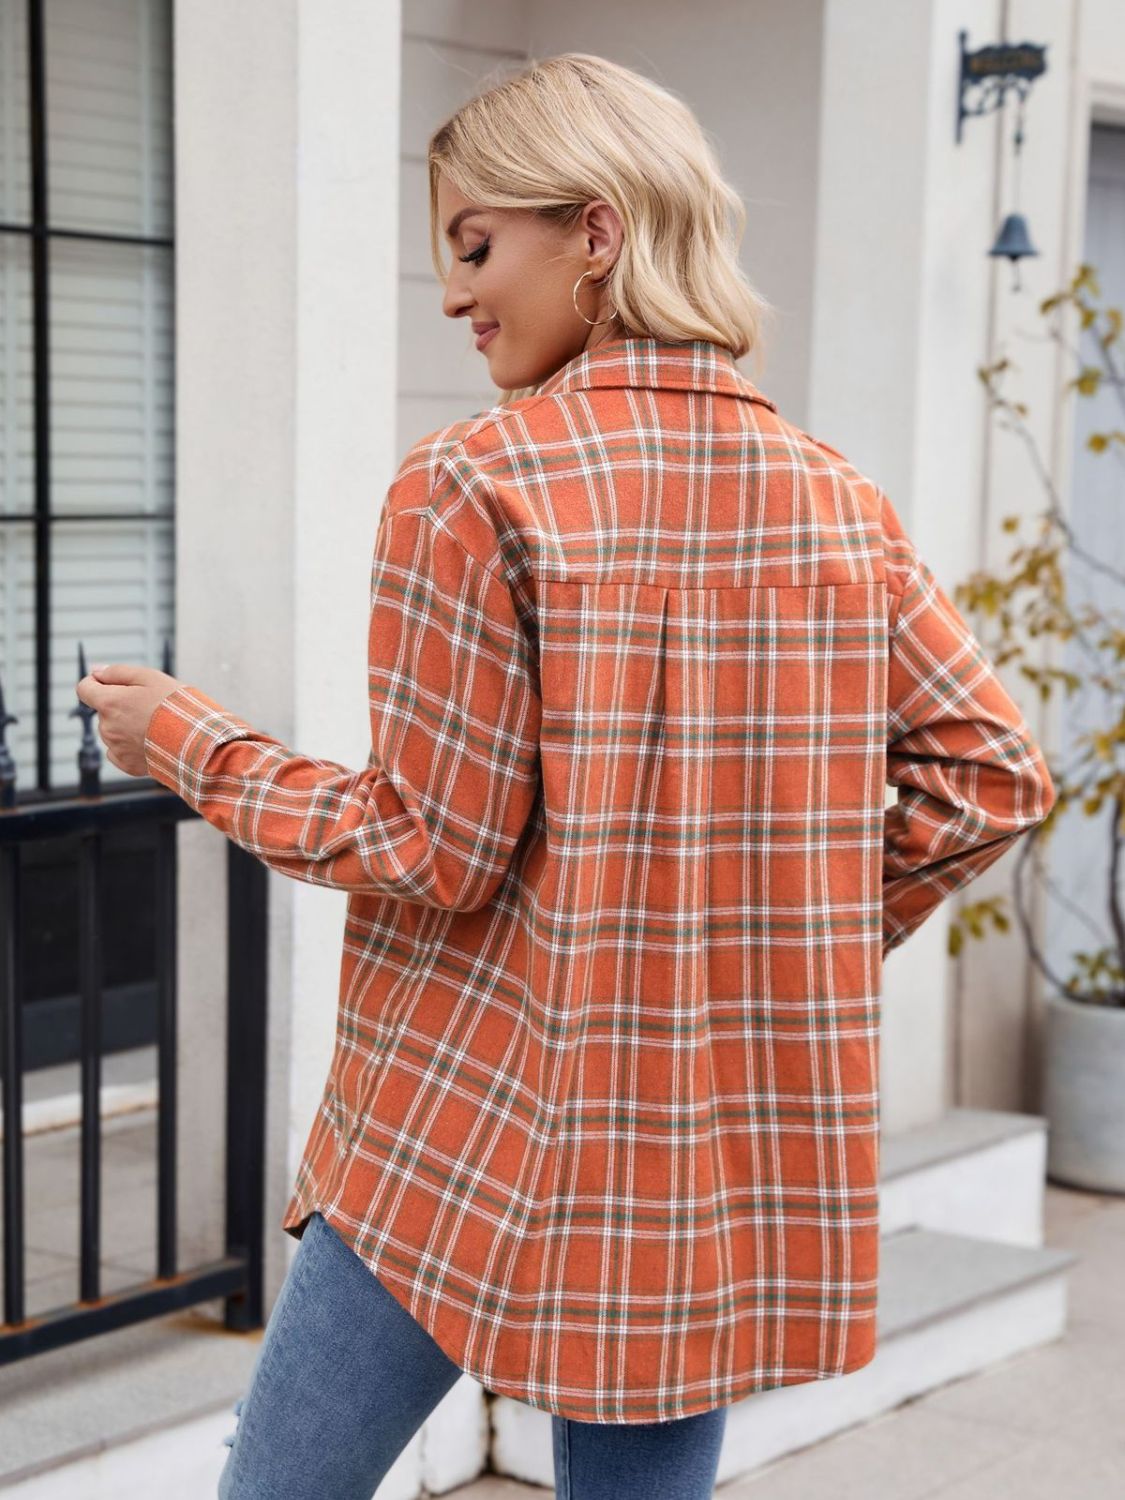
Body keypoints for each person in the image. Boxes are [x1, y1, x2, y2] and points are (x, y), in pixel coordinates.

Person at [79, 52, 1057, 1500]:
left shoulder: (472, 481)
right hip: (691, 1138)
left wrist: (188, 746)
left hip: (456, 1112)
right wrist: (783, 936)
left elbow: (431, 849)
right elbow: (991, 772)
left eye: (476, 247)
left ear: (597, 230)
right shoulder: (832, 496)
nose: (456, 297)